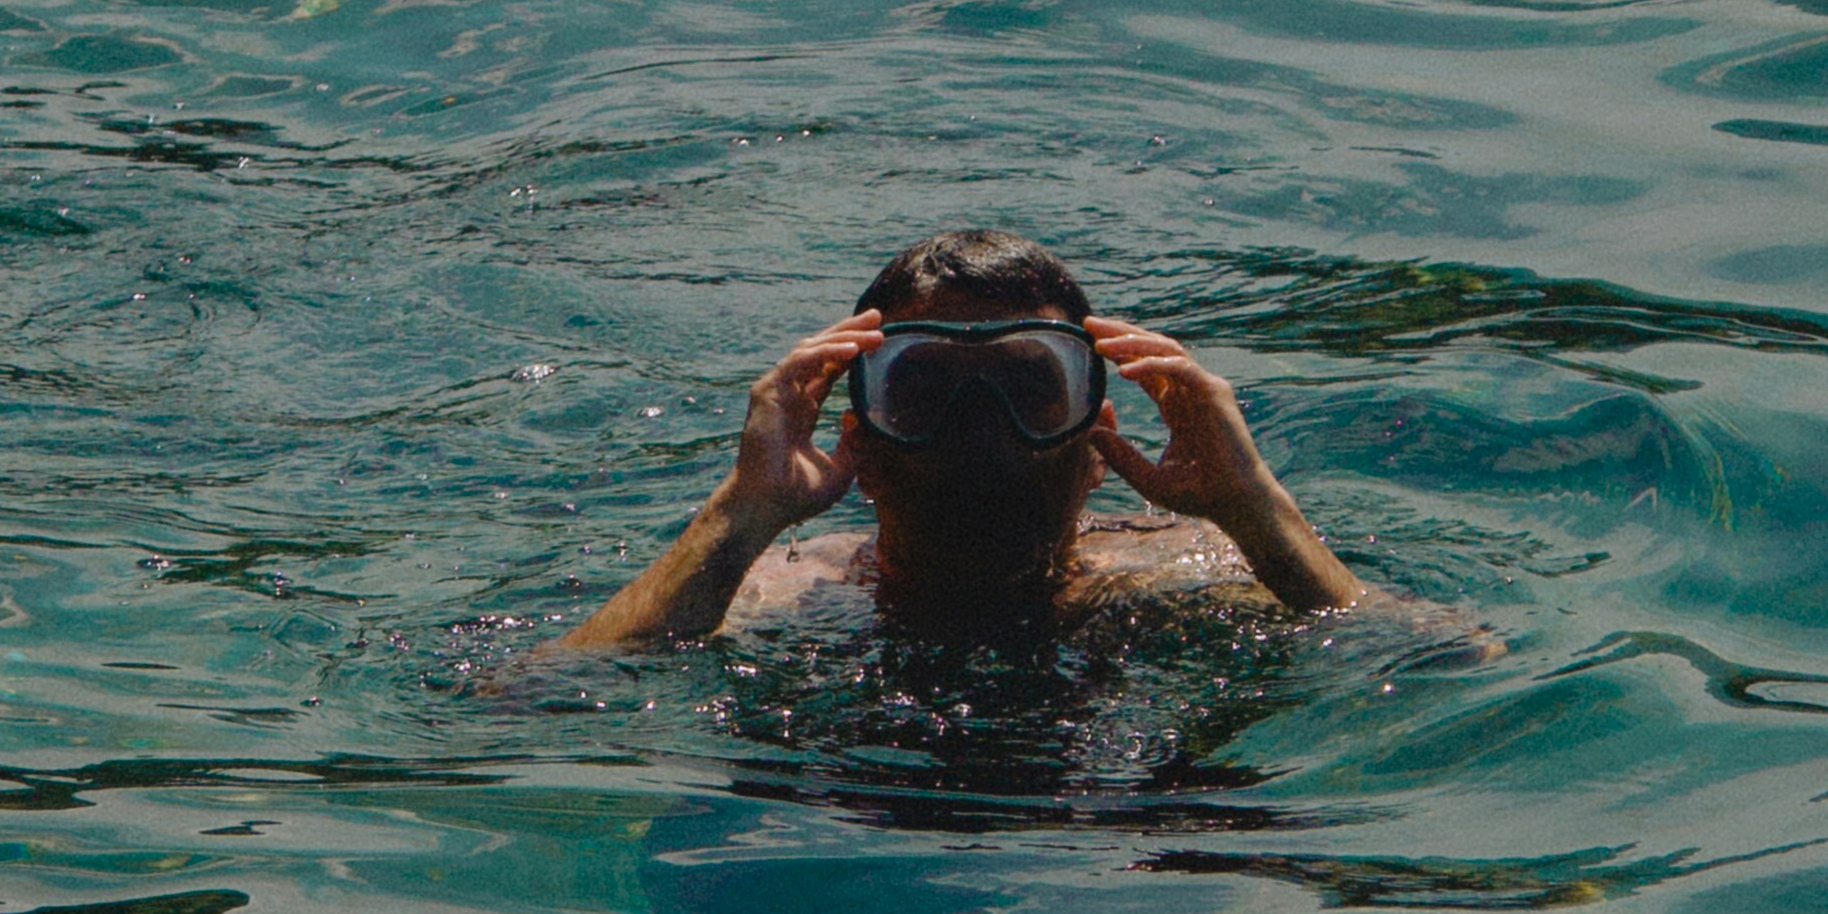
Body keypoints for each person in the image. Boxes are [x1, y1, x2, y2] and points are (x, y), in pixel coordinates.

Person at [560, 229, 1361, 649]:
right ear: (859, 450)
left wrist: (1254, 508)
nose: (981, 432)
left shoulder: (1186, 567)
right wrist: (744, 511)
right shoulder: (785, 590)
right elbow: (537, 701)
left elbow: (1441, 657)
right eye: (926, 390)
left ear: (1097, 445)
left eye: (1030, 389)